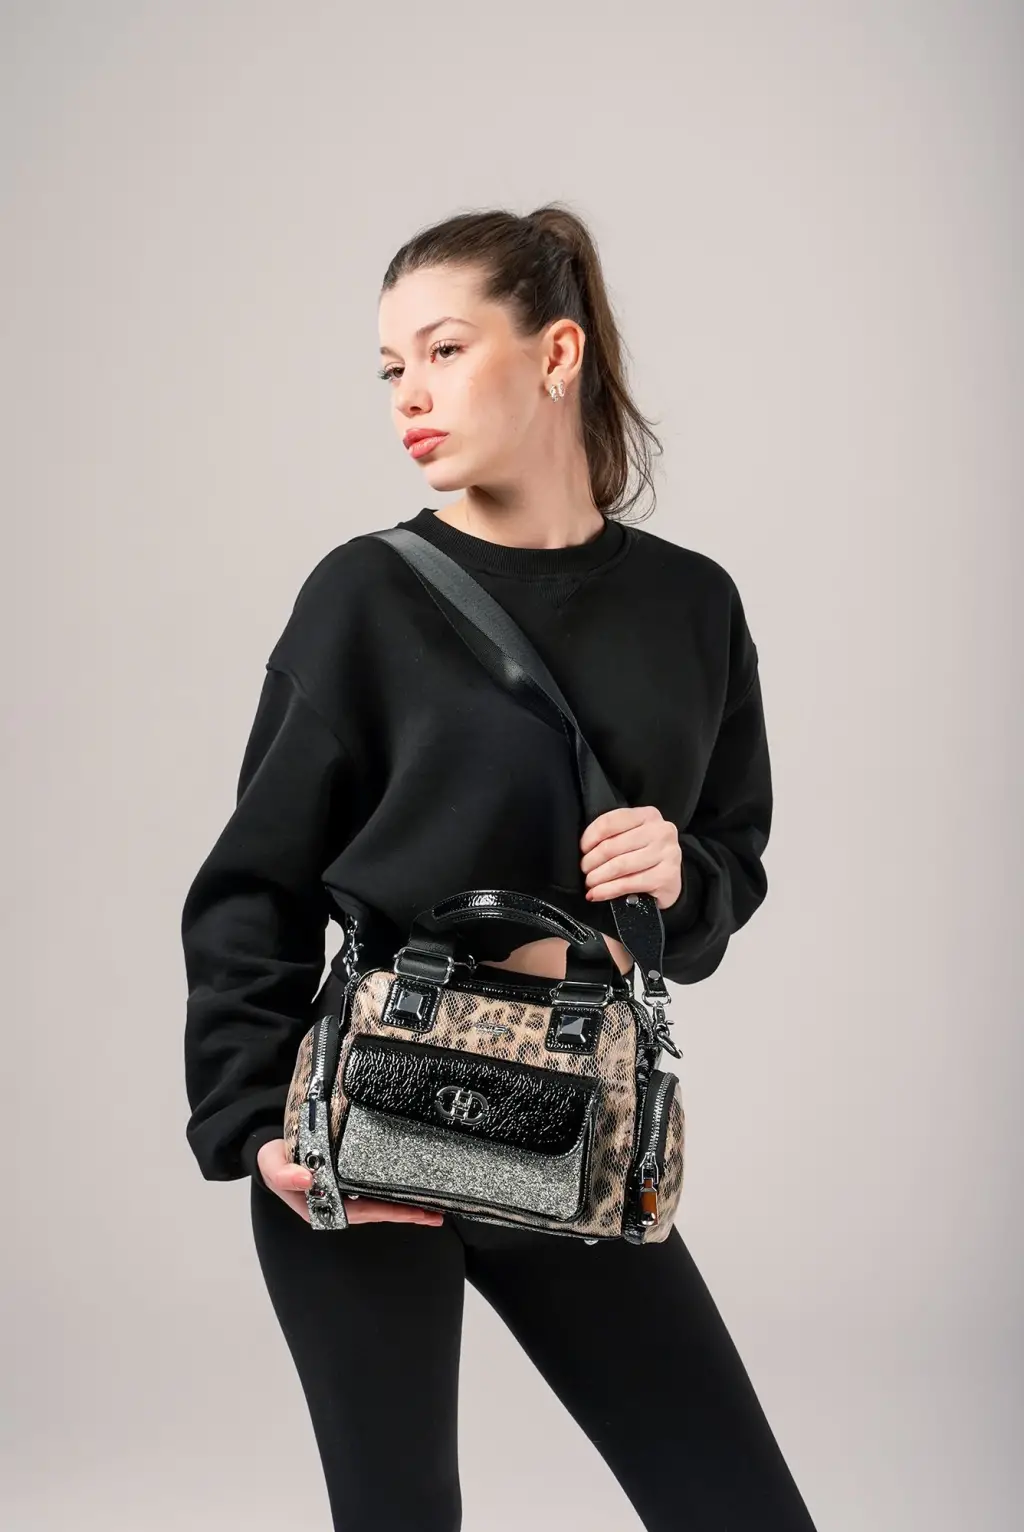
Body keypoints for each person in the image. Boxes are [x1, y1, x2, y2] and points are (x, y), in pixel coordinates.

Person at [181, 202, 818, 1531]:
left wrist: (679, 875)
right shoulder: (367, 595)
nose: (409, 396)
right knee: (402, 1515)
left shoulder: (692, 606)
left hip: (572, 1109)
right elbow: (253, 886)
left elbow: (727, 872)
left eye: (445, 349)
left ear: (556, 353)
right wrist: (252, 1122)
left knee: (736, 1507)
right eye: (390, 368)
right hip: (371, 1109)